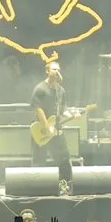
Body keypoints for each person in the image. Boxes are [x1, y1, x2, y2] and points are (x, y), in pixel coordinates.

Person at [32, 57, 73, 194]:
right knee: (39, 161)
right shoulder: (40, 88)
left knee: (64, 160)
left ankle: (65, 186)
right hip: (42, 130)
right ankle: (40, 189)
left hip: (57, 130)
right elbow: (38, 109)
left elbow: (63, 110)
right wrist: (46, 126)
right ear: (47, 71)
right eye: (54, 69)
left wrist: (71, 115)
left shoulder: (61, 91)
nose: (57, 72)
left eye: (58, 70)